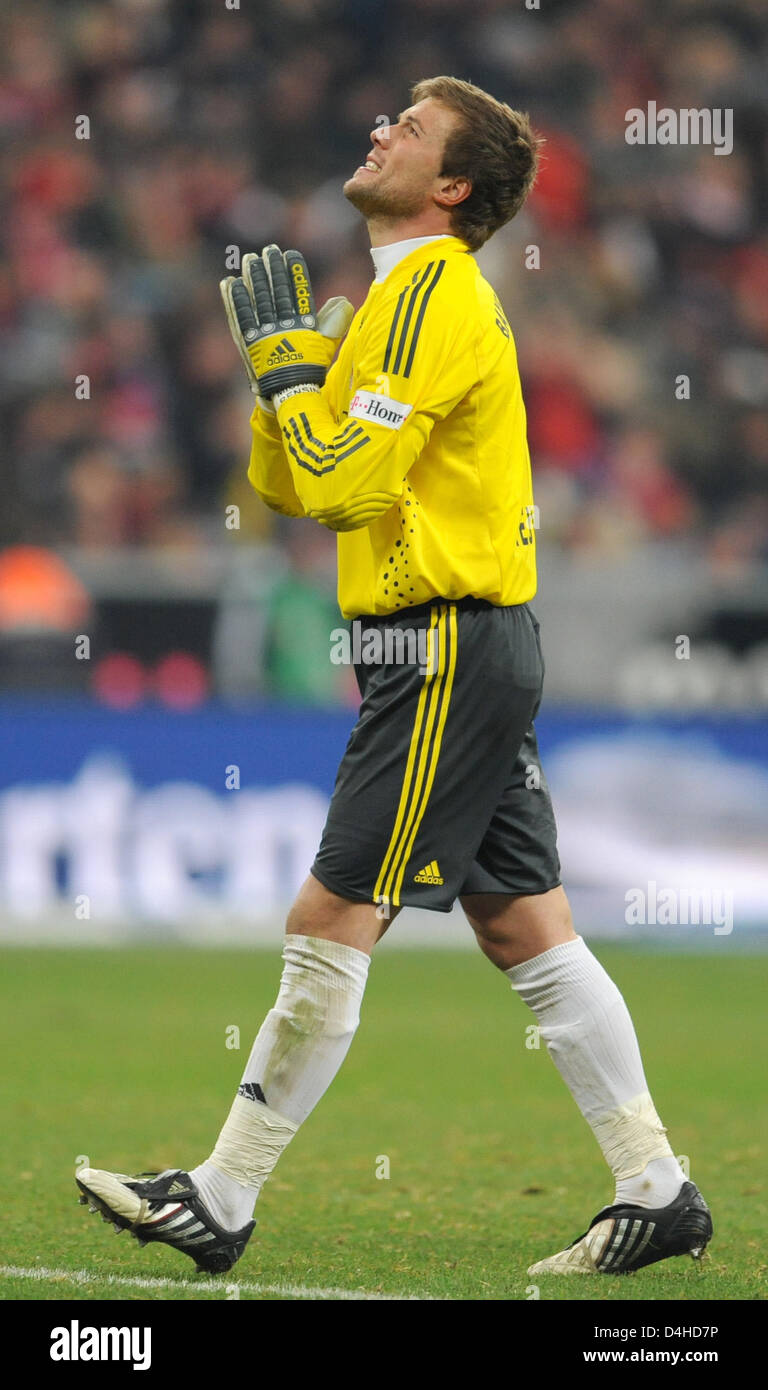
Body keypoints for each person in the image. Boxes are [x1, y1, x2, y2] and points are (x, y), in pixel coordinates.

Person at [77, 76, 711, 1279]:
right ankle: (658, 1185)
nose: (380, 131)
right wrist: (289, 382)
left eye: (410, 130)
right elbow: (297, 486)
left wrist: (283, 379)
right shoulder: (389, 302)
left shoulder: (430, 294)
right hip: (448, 647)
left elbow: (347, 486)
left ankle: (221, 1195)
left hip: (445, 647)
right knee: (524, 927)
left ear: (453, 186)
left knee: (331, 915)